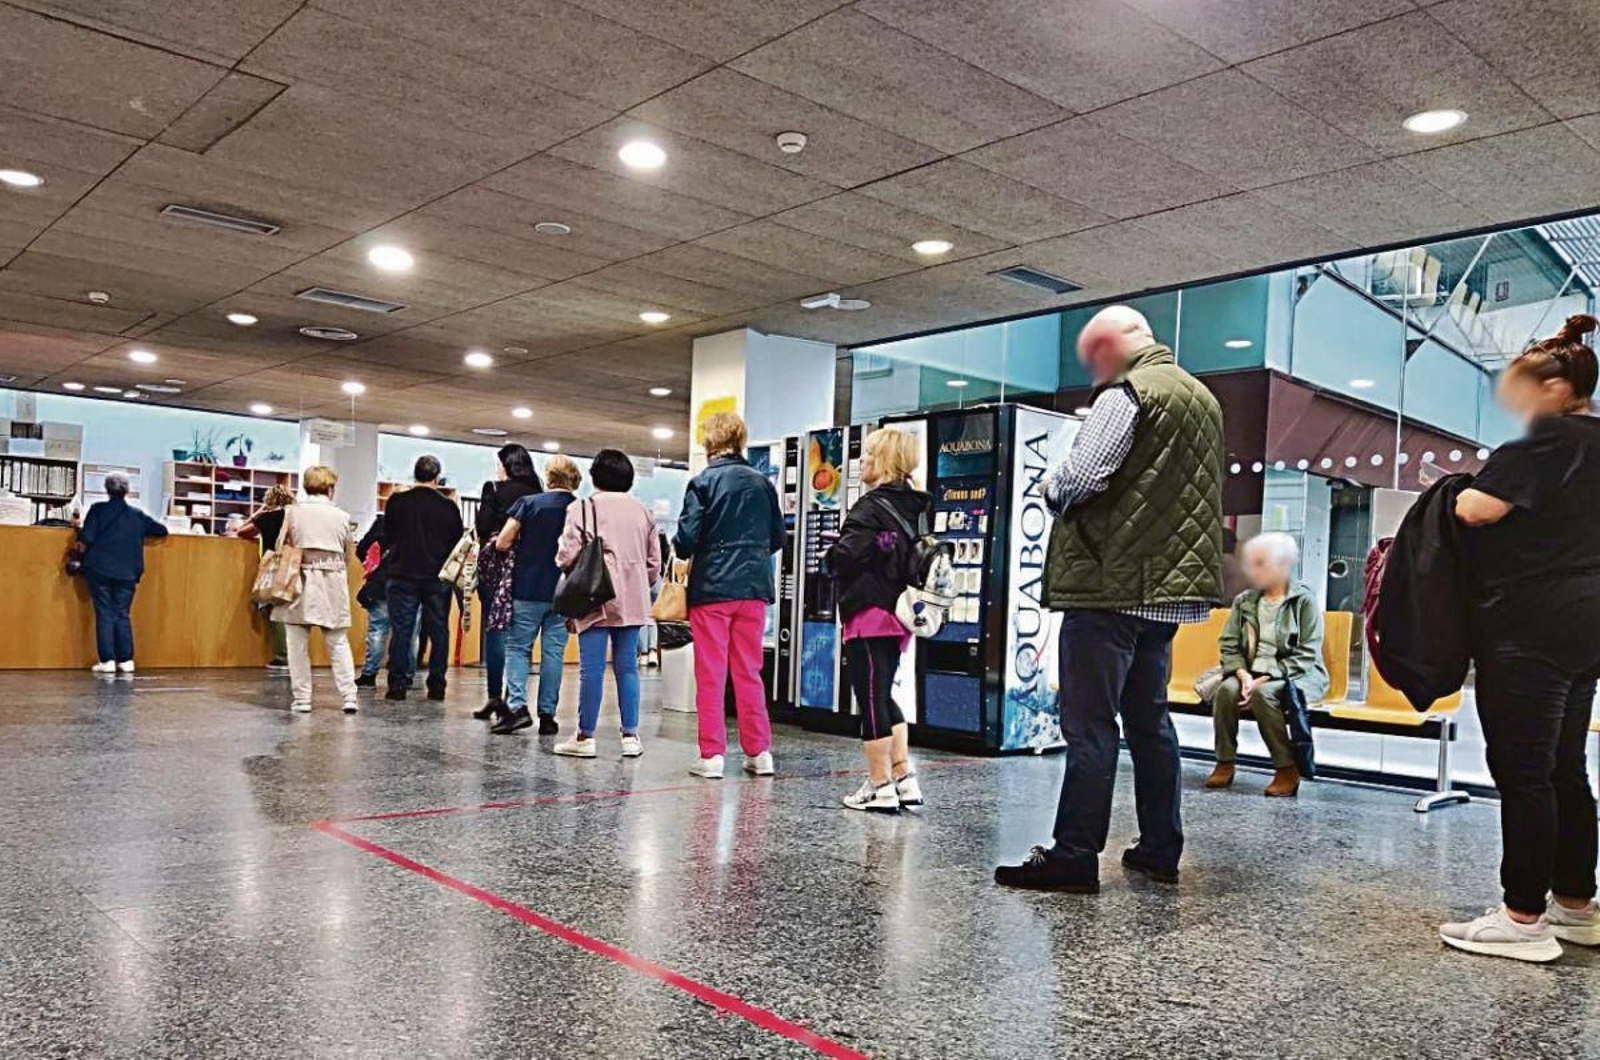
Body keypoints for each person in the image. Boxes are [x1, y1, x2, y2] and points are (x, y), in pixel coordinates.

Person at [995, 304, 1223, 892]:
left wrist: (1047, 485)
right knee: (1150, 722)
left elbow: (1082, 478)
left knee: (1090, 725)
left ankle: (1074, 856)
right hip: (1165, 595)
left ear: (1121, 342)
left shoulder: (1127, 397)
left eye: (1096, 353)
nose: (1094, 366)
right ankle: (1159, 847)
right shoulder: (1204, 401)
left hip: (1109, 586)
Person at [1439, 314, 1600, 963]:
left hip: (1531, 622)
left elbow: (1477, 509)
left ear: (1555, 388)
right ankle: (1576, 905)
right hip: (1589, 620)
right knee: (1566, 765)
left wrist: (1456, 494)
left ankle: (1523, 916)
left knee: (1523, 769)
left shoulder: (1547, 440)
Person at [823, 426, 930, 812]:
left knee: (869, 698)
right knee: (883, 693)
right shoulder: (916, 506)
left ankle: (879, 784)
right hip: (901, 615)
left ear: (883, 461)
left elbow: (844, 557)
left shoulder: (869, 507)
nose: (861, 460)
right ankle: (904, 776)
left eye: (867, 454)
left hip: (868, 612)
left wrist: (830, 555)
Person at [674, 412, 786, 779]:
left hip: (713, 589)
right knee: (749, 670)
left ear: (709, 442)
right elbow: (777, 538)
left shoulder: (702, 483)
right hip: (753, 587)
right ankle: (759, 752)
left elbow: (687, 540)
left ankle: (712, 756)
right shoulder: (762, 483)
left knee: (711, 673)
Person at [553, 449, 660, 758]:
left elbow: (567, 555)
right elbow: (654, 562)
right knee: (627, 667)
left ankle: (585, 738)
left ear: (595, 476)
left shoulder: (581, 507)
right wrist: (638, 581)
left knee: (592, 670)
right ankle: (630, 736)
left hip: (595, 597)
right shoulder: (643, 511)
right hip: (634, 598)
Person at [1206, 531, 1328, 798]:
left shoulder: (1304, 600)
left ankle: (1286, 768)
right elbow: (1229, 644)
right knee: (1226, 690)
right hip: (1250, 672)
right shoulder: (1245, 602)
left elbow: (1307, 654)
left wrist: (1261, 679)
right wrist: (1240, 672)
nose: (1253, 570)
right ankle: (1224, 761)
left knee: (1264, 694)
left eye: (1261, 563)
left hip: (1297, 675)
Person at [491, 454, 580, 735]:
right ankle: (548, 716)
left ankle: (517, 708)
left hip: (528, 587)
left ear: (549, 477)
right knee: (553, 653)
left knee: (518, 648)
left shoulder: (529, 504)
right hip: (565, 591)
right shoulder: (580, 509)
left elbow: (503, 542)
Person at [271, 466, 359, 714]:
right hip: (332, 581)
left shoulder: (292, 512)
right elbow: (348, 553)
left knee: (296, 644)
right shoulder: (342, 516)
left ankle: (302, 700)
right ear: (330, 488)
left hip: (298, 581)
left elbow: (281, 545)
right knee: (338, 641)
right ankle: (349, 697)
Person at [382, 456, 464, 702]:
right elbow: (456, 542)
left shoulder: (396, 501)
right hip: (437, 578)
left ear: (414, 474)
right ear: (437, 477)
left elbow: (388, 535)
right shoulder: (448, 506)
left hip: (402, 574)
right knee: (439, 630)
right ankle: (437, 685)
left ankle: (397, 685)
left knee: (402, 630)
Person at [472, 444, 544, 720]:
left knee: (495, 629)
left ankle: (494, 697)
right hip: (528, 569)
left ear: (506, 466)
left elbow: (482, 526)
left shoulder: (494, 489)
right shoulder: (537, 494)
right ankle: (515, 695)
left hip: (498, 569)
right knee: (520, 637)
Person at [77, 471, 168, 674]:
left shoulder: (97, 510)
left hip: (99, 569)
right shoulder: (137, 515)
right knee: (121, 613)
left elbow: (87, 537)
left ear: (107, 489)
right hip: (128, 572)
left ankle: (107, 660)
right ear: (127, 490)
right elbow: (161, 530)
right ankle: (126, 660)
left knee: (104, 613)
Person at [239, 484, 296, 674]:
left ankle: (282, 657)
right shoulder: (296, 517)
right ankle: (295, 655)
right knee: (292, 612)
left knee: (275, 611)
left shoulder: (267, 518)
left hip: (276, 567)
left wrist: (259, 512)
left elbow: (242, 531)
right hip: (296, 565)